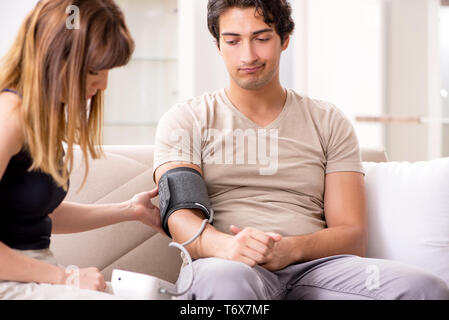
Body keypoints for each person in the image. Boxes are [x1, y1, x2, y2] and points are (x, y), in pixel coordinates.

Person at [153, 0, 449, 300]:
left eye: (262, 38)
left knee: (425, 288)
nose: (248, 55)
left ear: (285, 40)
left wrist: (290, 249)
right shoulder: (186, 120)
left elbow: (352, 235)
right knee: (228, 282)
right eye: (233, 41)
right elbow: (179, 215)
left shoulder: (328, 121)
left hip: (317, 268)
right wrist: (227, 246)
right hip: (226, 264)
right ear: (218, 45)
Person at [0, 0, 163, 300]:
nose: (103, 84)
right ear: (53, 57)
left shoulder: (40, 118)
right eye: (92, 71)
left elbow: (37, 214)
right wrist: (67, 277)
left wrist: (129, 210)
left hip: (37, 274)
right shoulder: (8, 117)